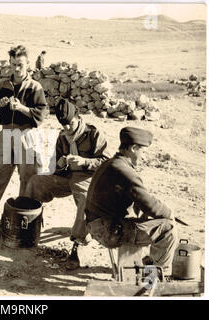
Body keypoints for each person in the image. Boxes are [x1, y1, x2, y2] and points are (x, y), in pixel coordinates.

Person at [24, 98, 110, 270]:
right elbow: (54, 166)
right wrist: (60, 164)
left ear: (77, 117)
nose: (67, 128)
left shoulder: (94, 134)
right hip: (66, 177)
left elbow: (107, 163)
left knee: (85, 201)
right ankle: (29, 232)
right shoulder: (62, 137)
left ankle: (78, 244)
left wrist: (84, 162)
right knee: (35, 182)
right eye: (63, 125)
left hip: (87, 178)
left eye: (69, 124)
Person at [85, 127, 178, 272]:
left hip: (97, 225)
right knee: (169, 229)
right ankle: (158, 276)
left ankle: (149, 265)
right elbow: (149, 204)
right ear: (134, 148)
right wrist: (169, 213)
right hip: (108, 232)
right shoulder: (124, 171)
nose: (144, 156)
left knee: (148, 219)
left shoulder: (112, 163)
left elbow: (139, 198)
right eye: (143, 151)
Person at [0, 45, 48, 221]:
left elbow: (41, 115)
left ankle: (28, 215)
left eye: (20, 65)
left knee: (29, 176)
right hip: (5, 135)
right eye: (13, 64)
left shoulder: (35, 87)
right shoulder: (2, 85)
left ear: (27, 64)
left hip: (27, 135)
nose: (16, 69)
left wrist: (22, 108)